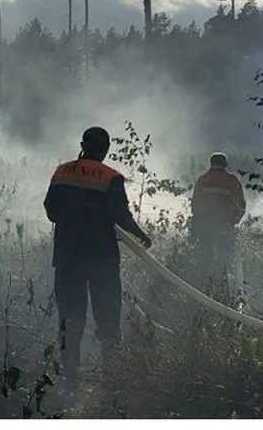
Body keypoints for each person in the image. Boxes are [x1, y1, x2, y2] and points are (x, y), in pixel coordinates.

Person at [43, 126, 153, 384]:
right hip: (101, 258)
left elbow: (51, 211)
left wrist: (73, 219)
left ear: (82, 144)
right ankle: (111, 379)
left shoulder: (62, 172)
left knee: (70, 319)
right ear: (105, 149)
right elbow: (120, 215)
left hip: (68, 257)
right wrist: (141, 235)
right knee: (107, 317)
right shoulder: (110, 177)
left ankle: (71, 380)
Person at [189, 152, 246, 289]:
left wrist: (199, 220)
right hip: (224, 225)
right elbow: (241, 204)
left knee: (205, 255)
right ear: (225, 164)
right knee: (224, 257)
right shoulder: (232, 180)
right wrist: (234, 220)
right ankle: (222, 284)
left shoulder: (202, 179)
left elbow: (194, 204)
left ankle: (203, 284)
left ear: (211, 164)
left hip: (204, 225)